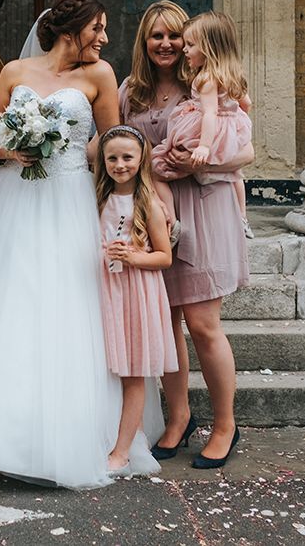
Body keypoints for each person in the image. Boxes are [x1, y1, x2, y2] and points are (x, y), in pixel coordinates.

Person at [0, 0, 162, 489]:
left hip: (69, 199)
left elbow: (110, 142)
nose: (104, 39)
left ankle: (69, 433)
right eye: (98, 29)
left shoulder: (99, 76)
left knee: (67, 308)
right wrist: (17, 145)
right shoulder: (16, 71)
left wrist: (59, 142)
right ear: (73, 29)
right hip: (15, 200)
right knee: (6, 305)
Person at [119, 0, 252, 469]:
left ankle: (225, 425)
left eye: (176, 36)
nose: (167, 44)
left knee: (201, 323)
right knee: (166, 323)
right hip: (154, 213)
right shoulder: (130, 91)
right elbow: (116, 142)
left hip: (204, 205)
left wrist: (203, 161)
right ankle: (178, 417)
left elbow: (247, 150)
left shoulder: (210, 83)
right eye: (156, 36)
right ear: (144, 42)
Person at [95, 125, 178, 475]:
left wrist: (134, 257)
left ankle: (123, 451)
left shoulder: (148, 204)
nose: (120, 164)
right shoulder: (98, 199)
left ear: (140, 158)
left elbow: (164, 257)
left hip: (136, 294)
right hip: (104, 290)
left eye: (127, 157)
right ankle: (104, 436)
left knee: (132, 372)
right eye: (112, 157)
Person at [150, 11, 253, 239]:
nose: (184, 50)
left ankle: (173, 221)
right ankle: (243, 218)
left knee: (157, 165)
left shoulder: (205, 78)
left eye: (190, 45)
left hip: (207, 132)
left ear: (207, 48)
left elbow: (209, 113)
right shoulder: (232, 74)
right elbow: (246, 103)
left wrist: (205, 146)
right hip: (229, 130)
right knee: (236, 174)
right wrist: (236, 125)